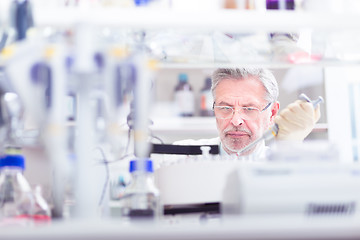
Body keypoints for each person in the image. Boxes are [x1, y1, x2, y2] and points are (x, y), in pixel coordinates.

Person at [173, 67, 321, 160]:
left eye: (249, 109)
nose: (236, 121)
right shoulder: (182, 156)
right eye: (225, 108)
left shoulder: (281, 164)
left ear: (272, 113)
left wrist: (290, 146)